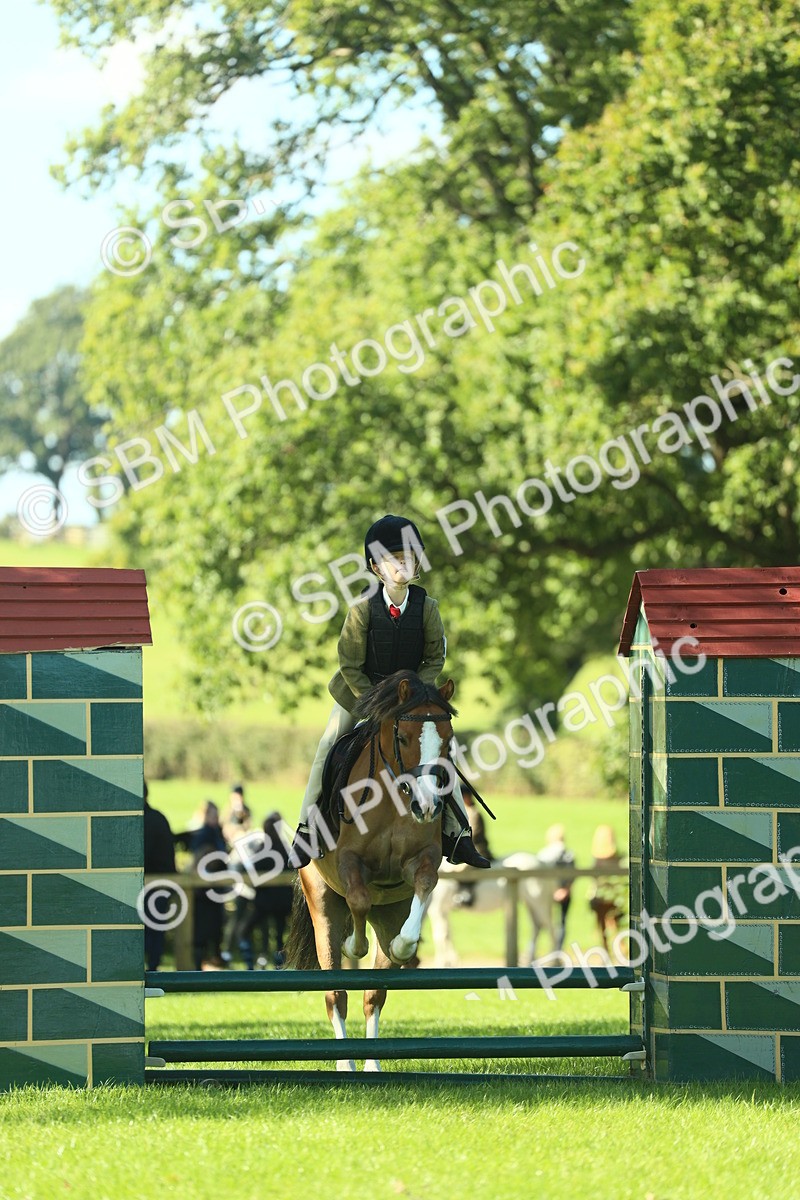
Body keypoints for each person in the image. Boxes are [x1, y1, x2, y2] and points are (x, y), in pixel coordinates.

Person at [290, 513, 490, 870]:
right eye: (393, 558)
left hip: (412, 701)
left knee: (445, 753)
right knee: (327, 745)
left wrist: (414, 694)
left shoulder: (427, 608)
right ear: (375, 566)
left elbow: (435, 657)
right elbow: (349, 664)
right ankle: (307, 829)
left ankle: (457, 834)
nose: (402, 564)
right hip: (359, 696)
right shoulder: (361, 610)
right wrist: (378, 702)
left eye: (409, 557)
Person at [190, 800, 228, 970]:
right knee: (204, 933)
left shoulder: (215, 834)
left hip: (214, 891)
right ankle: (200, 965)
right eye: (212, 814)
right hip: (205, 892)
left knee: (212, 931)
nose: (215, 818)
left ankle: (209, 963)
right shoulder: (205, 835)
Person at [142, 780, 176, 972]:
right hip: (165, 882)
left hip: (153, 883)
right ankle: (153, 964)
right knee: (156, 927)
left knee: (150, 927)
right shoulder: (158, 818)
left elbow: (143, 854)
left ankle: (151, 967)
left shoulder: (146, 820)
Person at [535, 824, 576, 951]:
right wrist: (566, 889)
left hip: (548, 892)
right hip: (564, 891)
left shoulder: (544, 853)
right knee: (562, 922)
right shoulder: (568, 853)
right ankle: (557, 950)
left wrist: (553, 889)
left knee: (540, 921)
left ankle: (534, 949)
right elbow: (571, 872)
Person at [587, 824, 627, 953]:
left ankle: (606, 951)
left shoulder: (597, 860)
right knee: (617, 926)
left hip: (601, 897)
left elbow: (594, 879)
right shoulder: (619, 858)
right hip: (615, 897)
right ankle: (621, 950)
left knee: (602, 926)